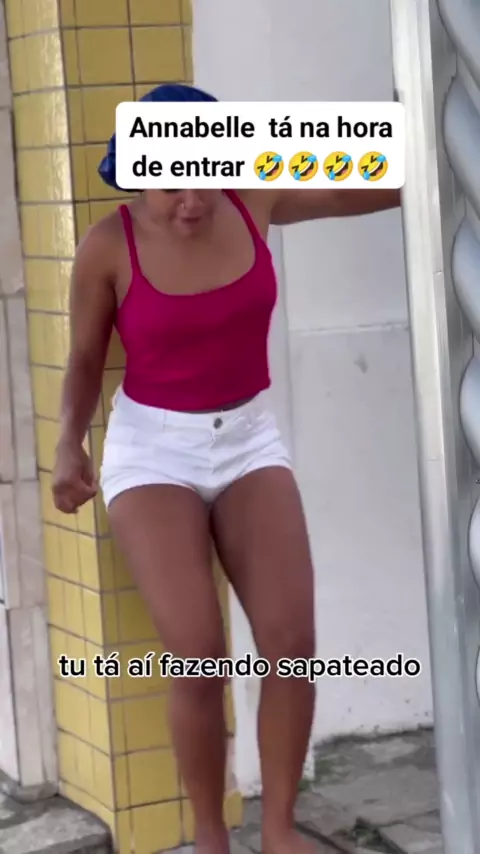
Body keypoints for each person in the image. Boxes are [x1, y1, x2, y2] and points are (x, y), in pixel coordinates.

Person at [52, 83, 401, 854]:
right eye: (169, 184)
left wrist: (426, 144)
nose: (190, 200)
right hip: (153, 451)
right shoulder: (107, 246)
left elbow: (371, 181)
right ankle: (210, 835)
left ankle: (278, 831)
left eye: (204, 176)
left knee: (290, 640)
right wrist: (69, 443)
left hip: (246, 438)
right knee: (198, 653)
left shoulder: (256, 198)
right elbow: (83, 359)